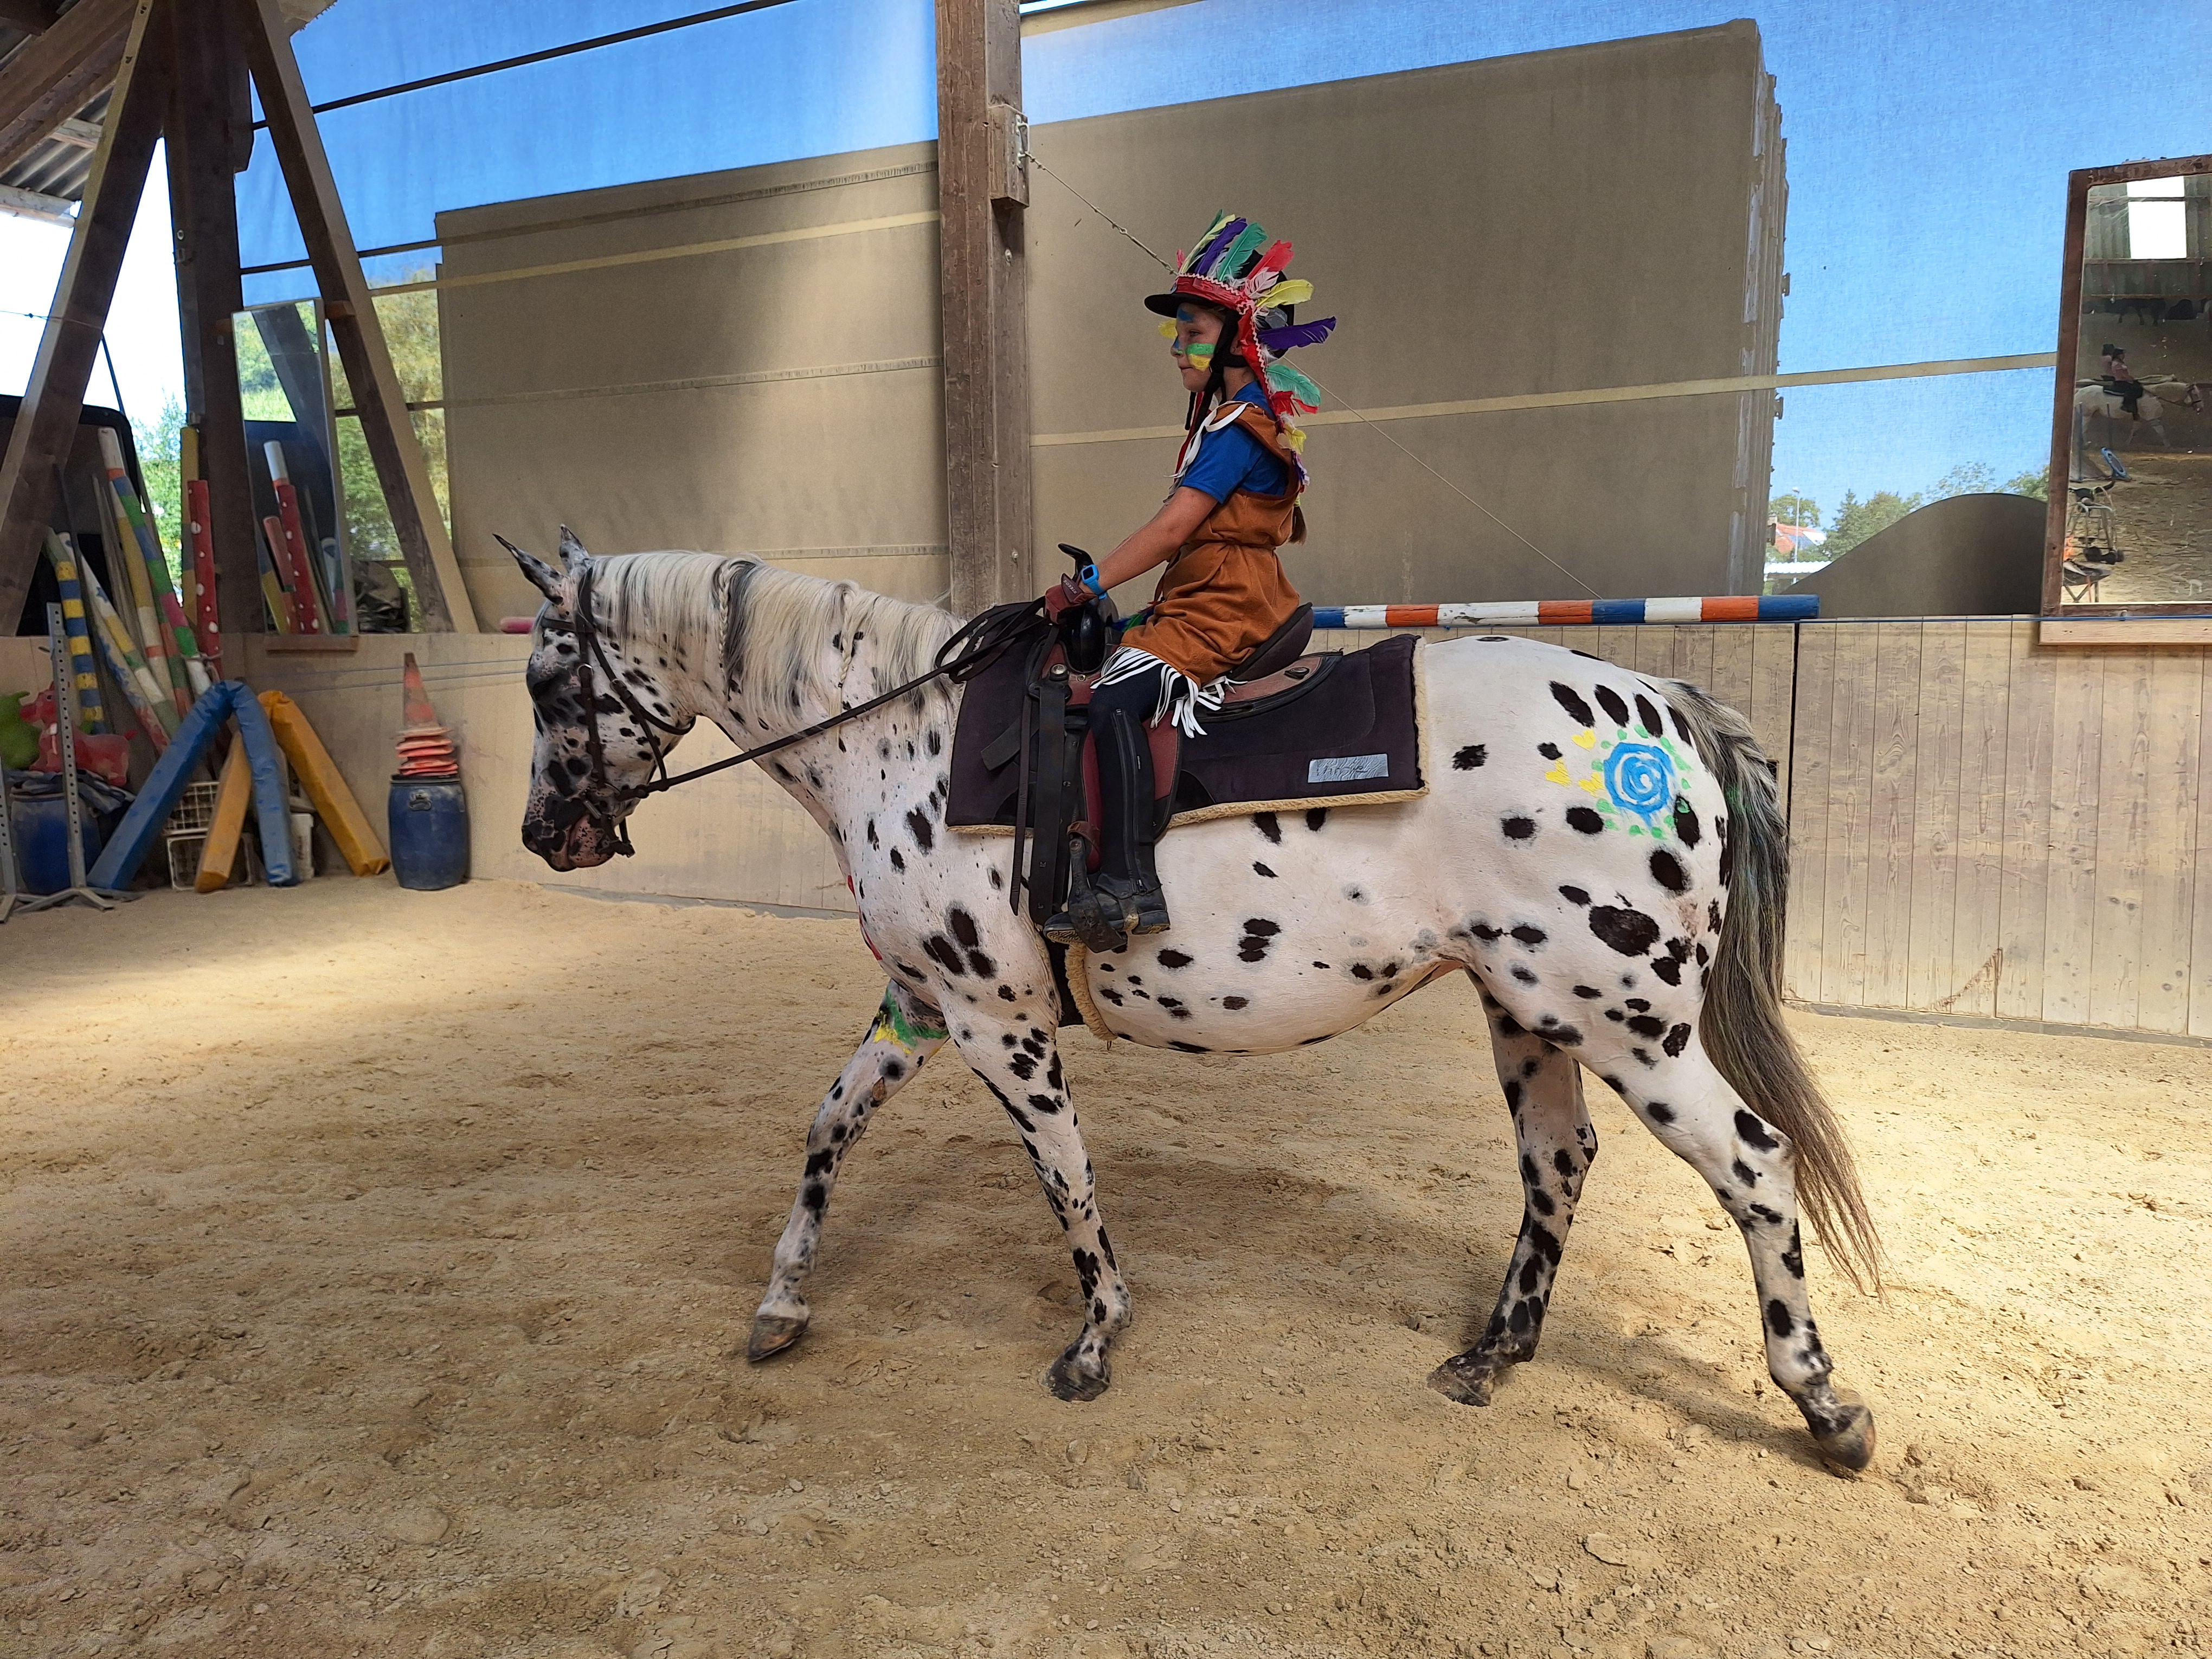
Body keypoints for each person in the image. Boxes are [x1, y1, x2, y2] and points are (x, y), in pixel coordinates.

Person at [1038, 211, 1336, 949]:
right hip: (1203, 593)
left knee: (1116, 695)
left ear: (1238, 338)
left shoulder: (1239, 429)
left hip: (1227, 604)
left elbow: (1172, 530)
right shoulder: (1227, 420)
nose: (1179, 347)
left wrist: (1086, 585)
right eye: (1178, 333)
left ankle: (1128, 881)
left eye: (1194, 332)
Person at [2100, 343, 2146, 417]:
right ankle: (2127, 406)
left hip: (2124, 380)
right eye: (2122, 354)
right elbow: (2122, 375)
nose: (2123, 356)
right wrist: (2131, 379)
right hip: (2120, 382)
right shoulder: (2115, 363)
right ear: (2118, 355)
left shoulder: (2119, 363)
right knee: (2132, 390)